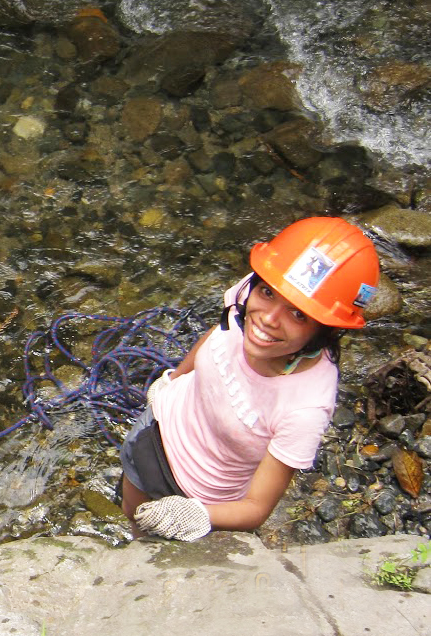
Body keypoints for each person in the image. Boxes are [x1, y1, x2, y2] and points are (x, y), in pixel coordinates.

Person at [120, 217, 380, 541]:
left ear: (325, 332)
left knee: (153, 546)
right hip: (154, 429)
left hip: (198, 493)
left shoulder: (305, 407)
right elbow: (220, 331)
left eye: (298, 314)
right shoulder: (249, 295)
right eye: (268, 293)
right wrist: (175, 377)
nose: (268, 319)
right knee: (131, 514)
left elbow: (256, 507)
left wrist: (198, 513)